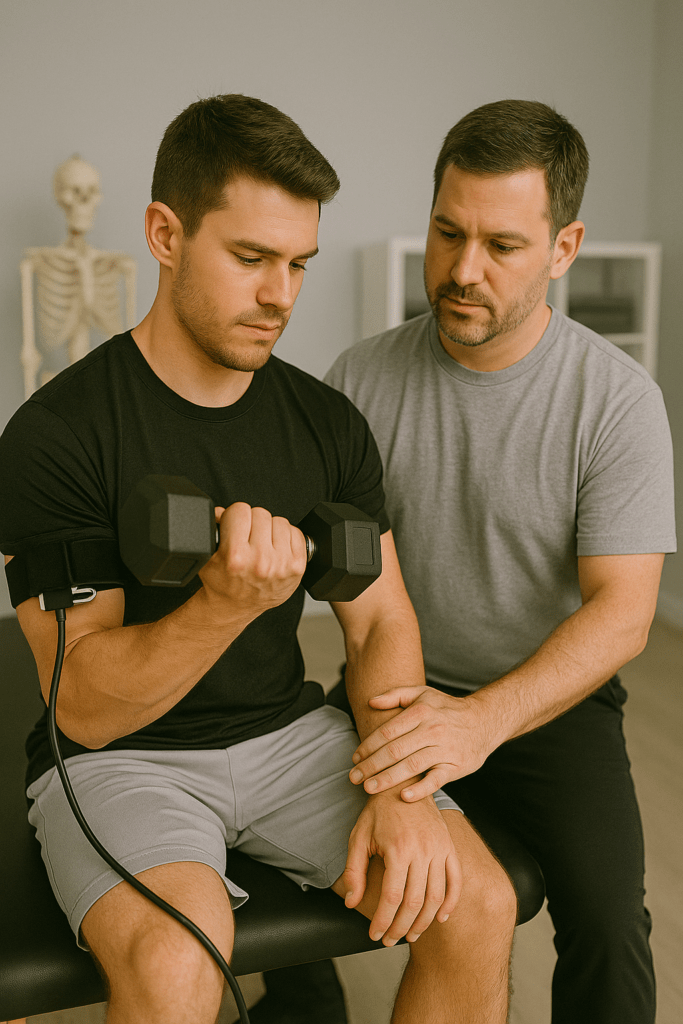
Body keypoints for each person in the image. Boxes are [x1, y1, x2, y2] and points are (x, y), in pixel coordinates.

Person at [0, 95, 516, 1024]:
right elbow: (78, 702)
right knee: (179, 955)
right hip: (120, 760)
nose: (280, 293)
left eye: (298, 265)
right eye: (250, 259)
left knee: (475, 902)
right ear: (165, 233)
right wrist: (224, 605)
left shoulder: (326, 425)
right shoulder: (55, 435)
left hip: (287, 738)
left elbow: (383, 619)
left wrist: (401, 785)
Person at [325, 99, 676, 1024]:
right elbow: (349, 594)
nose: (462, 270)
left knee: (609, 922)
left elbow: (623, 613)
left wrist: (480, 723)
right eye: (447, 233)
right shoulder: (358, 382)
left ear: (564, 247)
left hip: (540, 700)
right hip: (390, 692)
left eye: (502, 246)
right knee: (287, 871)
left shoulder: (618, 402)